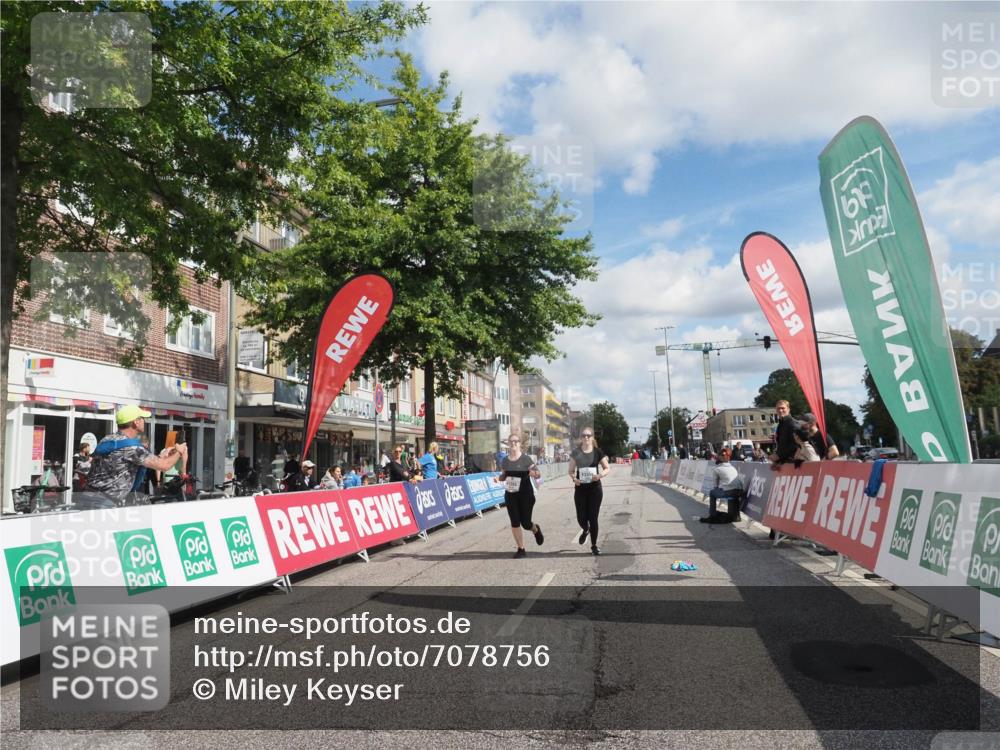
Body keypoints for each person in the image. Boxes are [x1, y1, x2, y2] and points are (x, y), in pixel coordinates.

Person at [84, 405, 188, 508]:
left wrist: (160, 457)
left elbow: (123, 460)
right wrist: (179, 451)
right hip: (106, 504)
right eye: (142, 418)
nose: (144, 421)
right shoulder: (132, 447)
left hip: (89, 496)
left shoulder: (108, 439)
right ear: (136, 422)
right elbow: (164, 466)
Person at [497, 435, 543, 558]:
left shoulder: (526, 459)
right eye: (511, 441)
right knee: (515, 522)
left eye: (515, 441)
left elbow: (538, 474)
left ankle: (535, 529)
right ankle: (521, 549)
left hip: (526, 494)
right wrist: (500, 478)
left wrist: (530, 472)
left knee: (526, 523)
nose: (513, 443)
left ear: (519, 443)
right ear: (508, 443)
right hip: (511, 495)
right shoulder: (505, 460)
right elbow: (504, 475)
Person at [568, 429, 611, 555]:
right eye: (583, 435)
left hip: (594, 489)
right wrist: (574, 479)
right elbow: (570, 471)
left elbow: (607, 468)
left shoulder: (597, 452)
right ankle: (585, 529)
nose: (586, 437)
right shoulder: (576, 453)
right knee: (581, 518)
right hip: (580, 488)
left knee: (593, 518)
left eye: (588, 435)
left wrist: (600, 475)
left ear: (592, 437)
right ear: (581, 438)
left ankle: (594, 546)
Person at [700, 449, 743, 523]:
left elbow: (715, 486)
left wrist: (719, 489)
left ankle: (712, 515)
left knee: (712, 493)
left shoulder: (717, 469)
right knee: (731, 491)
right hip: (740, 491)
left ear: (719, 458)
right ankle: (736, 516)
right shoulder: (733, 468)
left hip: (731, 491)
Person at [770, 400, 798, 469]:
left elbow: (796, 445)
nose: (780, 410)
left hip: (792, 464)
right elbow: (782, 445)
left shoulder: (792, 424)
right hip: (784, 464)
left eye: (783, 408)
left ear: (788, 409)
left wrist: (779, 456)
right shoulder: (781, 424)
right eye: (778, 408)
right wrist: (777, 460)